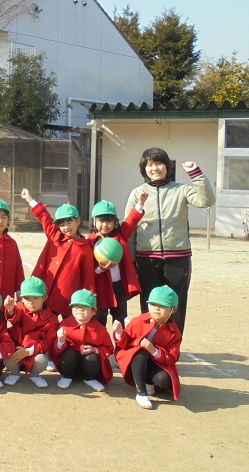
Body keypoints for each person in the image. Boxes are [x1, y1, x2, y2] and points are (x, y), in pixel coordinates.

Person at [125, 148, 215, 332]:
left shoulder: (181, 190)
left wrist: (196, 174)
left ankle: (172, 344)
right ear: (144, 169)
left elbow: (206, 201)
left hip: (178, 259)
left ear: (167, 166)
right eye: (149, 164)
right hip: (147, 259)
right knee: (149, 304)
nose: (154, 168)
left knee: (176, 304)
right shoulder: (137, 193)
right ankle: (149, 341)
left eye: (159, 163)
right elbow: (130, 229)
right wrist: (131, 259)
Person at [21, 189, 95, 317]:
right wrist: (30, 199)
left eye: (69, 222)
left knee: (68, 326)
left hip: (69, 298)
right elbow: (44, 217)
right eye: (62, 224)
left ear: (78, 221)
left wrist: (90, 298)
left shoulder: (85, 248)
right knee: (43, 323)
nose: (66, 227)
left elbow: (88, 277)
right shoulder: (54, 236)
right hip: (46, 294)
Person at [113, 285, 182, 410]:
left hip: (156, 363)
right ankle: (141, 393)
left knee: (164, 380)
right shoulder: (138, 321)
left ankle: (148, 381)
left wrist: (154, 351)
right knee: (141, 352)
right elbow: (124, 343)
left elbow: (172, 358)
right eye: (153, 304)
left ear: (173, 309)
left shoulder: (174, 333)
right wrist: (119, 333)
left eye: (163, 306)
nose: (157, 309)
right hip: (134, 361)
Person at [87, 198, 145, 327]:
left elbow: (131, 221)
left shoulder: (120, 236)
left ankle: (120, 340)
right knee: (98, 319)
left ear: (115, 222)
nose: (105, 225)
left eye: (109, 221)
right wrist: (100, 269)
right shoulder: (90, 242)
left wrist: (140, 203)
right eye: (101, 221)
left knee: (119, 318)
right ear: (94, 221)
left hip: (119, 286)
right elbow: (88, 269)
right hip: (100, 287)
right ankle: (100, 341)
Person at [51, 289, 113, 392]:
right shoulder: (64, 325)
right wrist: (60, 341)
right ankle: (67, 376)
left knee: (92, 357)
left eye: (85, 306)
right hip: (69, 364)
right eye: (76, 306)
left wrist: (95, 350)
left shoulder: (100, 329)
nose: (80, 309)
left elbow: (109, 348)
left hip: (90, 366)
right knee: (68, 353)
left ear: (94, 311)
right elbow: (54, 350)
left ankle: (90, 378)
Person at [2, 276, 58, 389]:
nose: (31, 302)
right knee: (6, 355)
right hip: (16, 349)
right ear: (21, 299)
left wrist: (28, 351)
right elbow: (14, 318)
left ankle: (34, 375)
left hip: (34, 353)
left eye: (36, 298)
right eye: (27, 298)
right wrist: (11, 309)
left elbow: (48, 341)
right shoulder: (20, 307)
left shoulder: (52, 319)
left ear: (44, 297)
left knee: (42, 360)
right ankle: (14, 373)